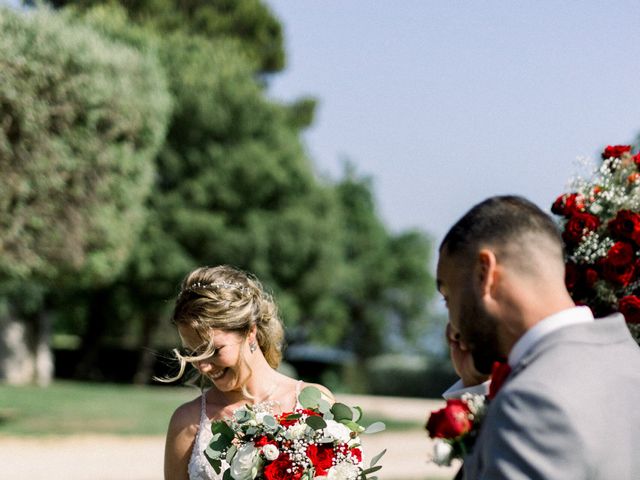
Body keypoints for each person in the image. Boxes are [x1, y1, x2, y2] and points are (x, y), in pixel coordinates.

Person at [436, 195, 640, 479]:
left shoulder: (532, 401)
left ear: (485, 274)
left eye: (448, 296)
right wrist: (477, 390)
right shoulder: (628, 360)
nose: (453, 327)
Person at [163, 265, 333, 480]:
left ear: (250, 331)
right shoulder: (187, 421)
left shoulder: (314, 402)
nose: (203, 366)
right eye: (193, 353)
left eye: (214, 350)